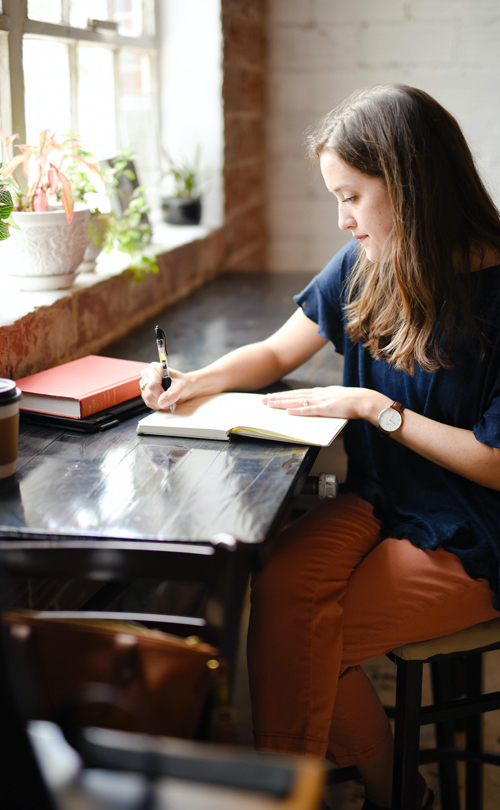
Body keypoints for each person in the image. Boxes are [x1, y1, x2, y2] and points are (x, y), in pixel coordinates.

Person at [140, 85, 500, 810]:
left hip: (475, 529)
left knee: (303, 639)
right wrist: (191, 381)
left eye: (352, 196)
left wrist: (375, 407)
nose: (341, 218)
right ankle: (394, 794)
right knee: (278, 590)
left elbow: (494, 463)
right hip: (383, 499)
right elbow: (276, 352)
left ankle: (313, 797)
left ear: (410, 186)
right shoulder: (366, 263)